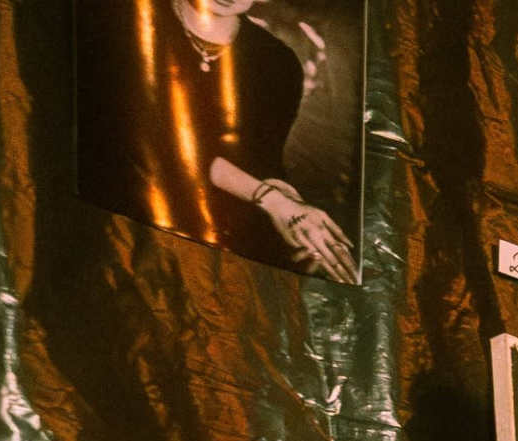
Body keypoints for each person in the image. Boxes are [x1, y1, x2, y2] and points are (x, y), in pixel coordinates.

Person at [77, 0, 355, 279]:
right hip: (115, 227)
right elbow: (153, 143)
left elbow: (261, 161)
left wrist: (297, 218)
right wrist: (272, 200)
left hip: (214, 246)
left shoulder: (277, 62)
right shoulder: (122, 18)